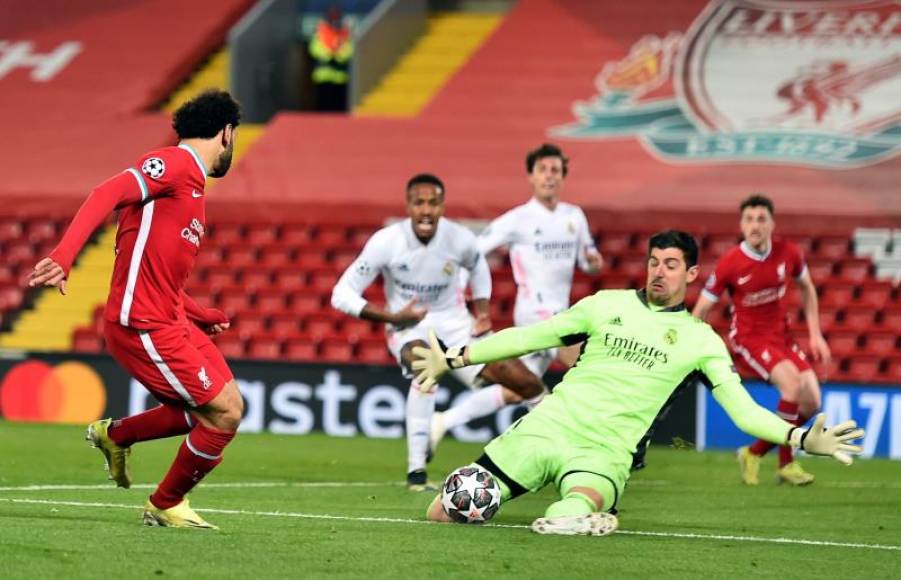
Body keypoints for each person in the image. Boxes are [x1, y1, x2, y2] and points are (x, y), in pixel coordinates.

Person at [411, 230, 863, 536]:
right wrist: (455, 358)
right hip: (545, 427)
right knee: (443, 512)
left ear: (690, 275)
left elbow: (743, 411)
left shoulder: (700, 342)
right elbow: (531, 336)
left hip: (604, 452)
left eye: (670, 264)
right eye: (653, 262)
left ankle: (585, 516)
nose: (658, 272)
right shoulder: (605, 304)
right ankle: (590, 517)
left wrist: (801, 438)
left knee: (563, 513)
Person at [28, 90, 243, 529]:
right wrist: (65, 255)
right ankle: (165, 504)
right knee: (221, 413)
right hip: (142, 324)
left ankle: (117, 435)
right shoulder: (176, 165)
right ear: (226, 132)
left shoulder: (194, 188)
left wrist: (199, 313)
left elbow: (155, 270)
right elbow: (107, 190)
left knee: (225, 404)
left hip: (172, 319)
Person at [331, 174, 545, 491]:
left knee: (528, 383)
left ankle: (547, 451)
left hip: (457, 323)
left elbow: (478, 267)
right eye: (419, 203)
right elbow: (341, 293)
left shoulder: (459, 239)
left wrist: (483, 312)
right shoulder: (387, 241)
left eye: (433, 203)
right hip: (408, 326)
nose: (427, 210)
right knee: (425, 365)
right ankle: (416, 472)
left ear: (442, 206)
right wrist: (392, 316)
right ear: (408, 207)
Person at [429, 144, 602, 449]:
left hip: (561, 309)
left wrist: (592, 261)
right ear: (531, 177)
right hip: (536, 312)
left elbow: (588, 259)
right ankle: (584, 443)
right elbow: (474, 253)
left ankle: (445, 420)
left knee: (519, 387)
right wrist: (463, 295)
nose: (549, 176)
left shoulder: (574, 216)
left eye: (555, 170)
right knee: (587, 364)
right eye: (543, 170)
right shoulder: (518, 219)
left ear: (563, 177)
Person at [692, 195, 831, 486]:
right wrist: (693, 347)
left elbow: (807, 287)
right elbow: (703, 308)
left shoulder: (789, 253)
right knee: (792, 385)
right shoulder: (731, 262)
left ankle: (752, 453)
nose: (755, 225)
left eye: (761, 219)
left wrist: (816, 334)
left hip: (782, 337)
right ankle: (786, 464)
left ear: (772, 223)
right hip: (749, 339)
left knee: (812, 402)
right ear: (741, 225)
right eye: (749, 219)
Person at [309, 6, 353, 112]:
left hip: (340, 77)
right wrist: (329, 54)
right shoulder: (320, 32)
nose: (334, 20)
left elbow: (350, 50)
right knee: (323, 105)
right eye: (332, 17)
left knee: (339, 107)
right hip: (323, 77)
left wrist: (338, 55)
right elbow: (313, 49)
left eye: (336, 17)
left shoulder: (345, 33)